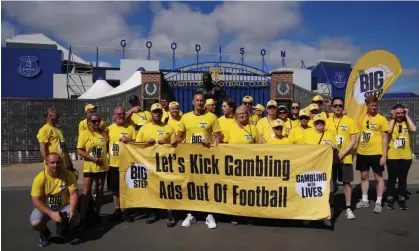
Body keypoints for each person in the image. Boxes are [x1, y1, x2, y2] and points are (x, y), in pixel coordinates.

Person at [171, 91, 221, 229]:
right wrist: (175, 140)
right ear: (193, 102)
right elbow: (180, 136)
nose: (199, 103)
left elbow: (218, 137)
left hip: (207, 159)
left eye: (201, 101)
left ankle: (209, 215)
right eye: (197, 100)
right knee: (191, 185)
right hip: (190, 159)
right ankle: (190, 214)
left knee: (207, 186)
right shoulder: (185, 118)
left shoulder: (212, 117)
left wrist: (210, 141)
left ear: (204, 102)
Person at [136, 103, 176, 227]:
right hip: (150, 164)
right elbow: (137, 146)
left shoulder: (169, 128)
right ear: (151, 113)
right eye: (155, 112)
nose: (157, 114)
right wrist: (147, 143)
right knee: (152, 188)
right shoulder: (144, 128)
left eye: (159, 112)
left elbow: (176, 143)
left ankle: (170, 212)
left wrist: (171, 142)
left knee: (167, 188)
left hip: (165, 164)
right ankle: (153, 212)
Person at [30, 153, 79, 247]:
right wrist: (51, 213)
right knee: (35, 223)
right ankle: (45, 233)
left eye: (58, 162)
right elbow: (35, 200)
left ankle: (64, 227)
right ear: (46, 163)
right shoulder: (40, 178)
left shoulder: (68, 175)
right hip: (46, 208)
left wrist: (72, 210)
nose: (55, 165)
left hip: (63, 207)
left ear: (61, 163)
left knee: (76, 219)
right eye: (52, 163)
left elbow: (74, 193)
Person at [223, 105, 259, 225]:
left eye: (244, 113)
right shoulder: (230, 128)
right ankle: (235, 214)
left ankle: (249, 214)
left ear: (248, 114)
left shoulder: (253, 128)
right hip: (234, 165)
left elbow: (259, 146)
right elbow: (224, 144)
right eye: (239, 114)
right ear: (236, 116)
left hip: (250, 166)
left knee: (249, 191)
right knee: (235, 191)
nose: (242, 115)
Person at [302, 114, 337, 227]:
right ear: (314, 124)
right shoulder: (307, 134)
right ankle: (309, 216)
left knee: (326, 193)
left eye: (321, 122)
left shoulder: (329, 134)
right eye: (317, 122)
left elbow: (335, 148)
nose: (319, 124)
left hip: (325, 170)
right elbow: (303, 150)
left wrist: (333, 147)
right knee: (311, 192)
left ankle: (325, 216)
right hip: (311, 169)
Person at [326, 98, 358, 220]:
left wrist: (342, 154)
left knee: (347, 183)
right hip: (330, 159)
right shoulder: (327, 122)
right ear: (332, 108)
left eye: (340, 105)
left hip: (346, 158)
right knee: (331, 183)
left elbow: (353, 141)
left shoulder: (350, 121)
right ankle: (330, 205)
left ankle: (348, 207)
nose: (338, 107)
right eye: (335, 105)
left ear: (343, 107)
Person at [356, 96, 389, 213]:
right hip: (362, 152)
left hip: (376, 153)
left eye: (376, 105)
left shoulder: (381, 119)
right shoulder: (361, 118)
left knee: (378, 177)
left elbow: (385, 139)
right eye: (372, 105)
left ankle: (379, 202)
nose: (374, 108)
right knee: (364, 176)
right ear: (367, 105)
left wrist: (384, 155)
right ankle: (365, 200)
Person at [76, 112, 109, 228]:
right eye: (94, 121)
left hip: (102, 167)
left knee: (100, 189)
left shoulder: (103, 133)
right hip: (90, 166)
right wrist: (94, 159)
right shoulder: (84, 134)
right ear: (89, 122)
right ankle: (83, 218)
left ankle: (96, 213)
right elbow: (79, 151)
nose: (96, 123)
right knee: (86, 192)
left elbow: (107, 147)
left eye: (98, 121)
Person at [107, 107, 136, 223]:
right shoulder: (109, 129)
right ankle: (117, 209)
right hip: (113, 164)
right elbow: (105, 144)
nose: (121, 116)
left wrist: (128, 140)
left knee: (126, 188)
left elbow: (137, 143)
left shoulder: (131, 128)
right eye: (118, 114)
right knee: (115, 189)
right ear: (114, 115)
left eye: (123, 114)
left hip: (127, 164)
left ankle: (126, 210)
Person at [386, 104, 416, 210]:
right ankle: (390, 198)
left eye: (401, 113)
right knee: (392, 178)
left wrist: (407, 115)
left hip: (405, 156)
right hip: (393, 155)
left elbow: (413, 129)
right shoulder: (391, 122)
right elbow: (388, 131)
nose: (399, 115)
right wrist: (393, 118)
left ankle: (401, 198)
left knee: (402, 178)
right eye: (397, 113)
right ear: (394, 113)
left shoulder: (406, 123)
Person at [37, 108, 74, 173]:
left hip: (64, 166)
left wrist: (70, 164)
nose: (59, 115)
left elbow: (64, 148)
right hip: (54, 167)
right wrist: (49, 163)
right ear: (50, 115)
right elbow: (43, 148)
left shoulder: (58, 130)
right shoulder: (44, 129)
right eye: (56, 113)